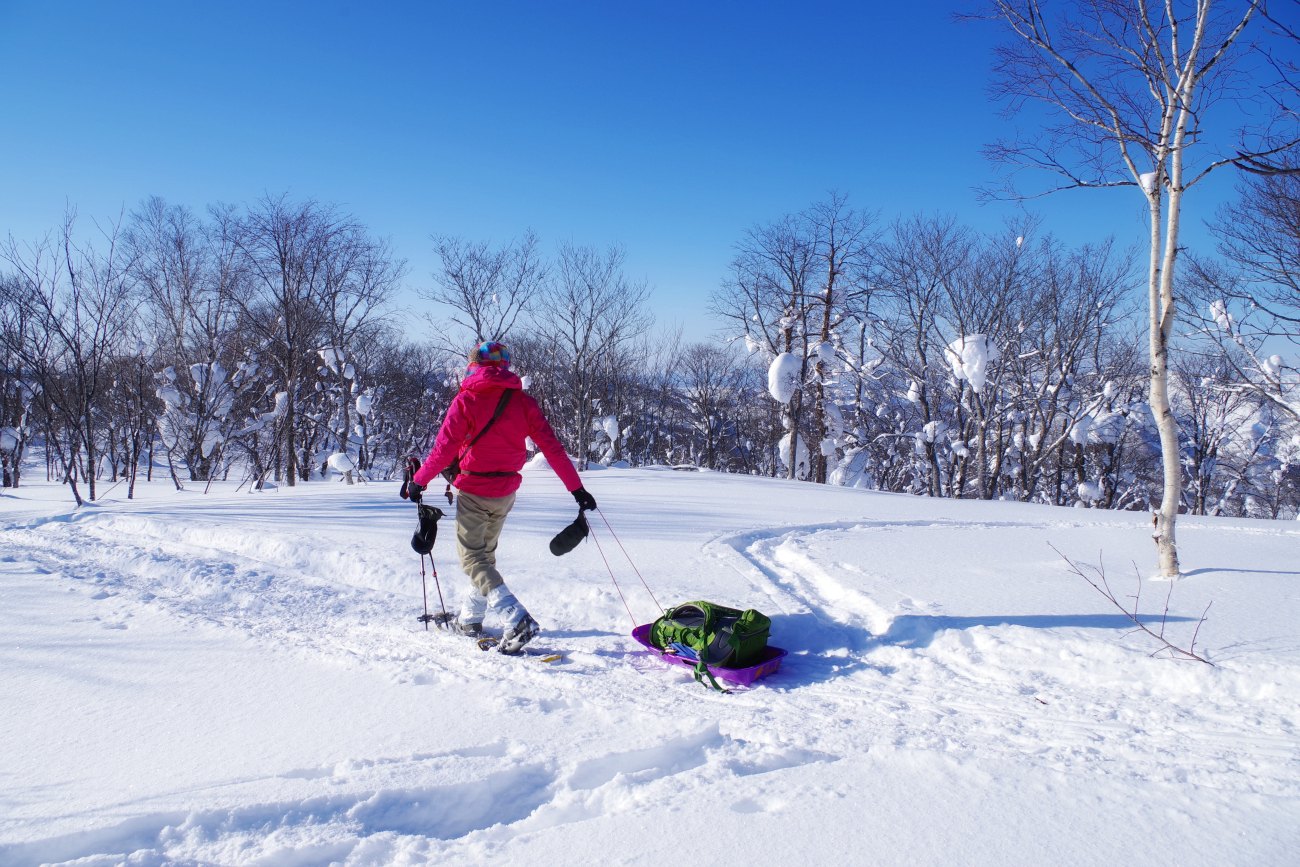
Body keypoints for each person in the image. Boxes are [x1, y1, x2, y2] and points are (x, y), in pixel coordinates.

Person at [405, 340, 597, 654]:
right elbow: (553, 449)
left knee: (472, 559)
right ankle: (470, 618)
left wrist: (418, 482)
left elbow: (443, 452)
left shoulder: (466, 401)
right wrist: (576, 489)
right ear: (505, 366)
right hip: (506, 492)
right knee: (485, 555)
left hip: (475, 491)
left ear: (473, 365)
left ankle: (515, 616)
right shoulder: (523, 403)